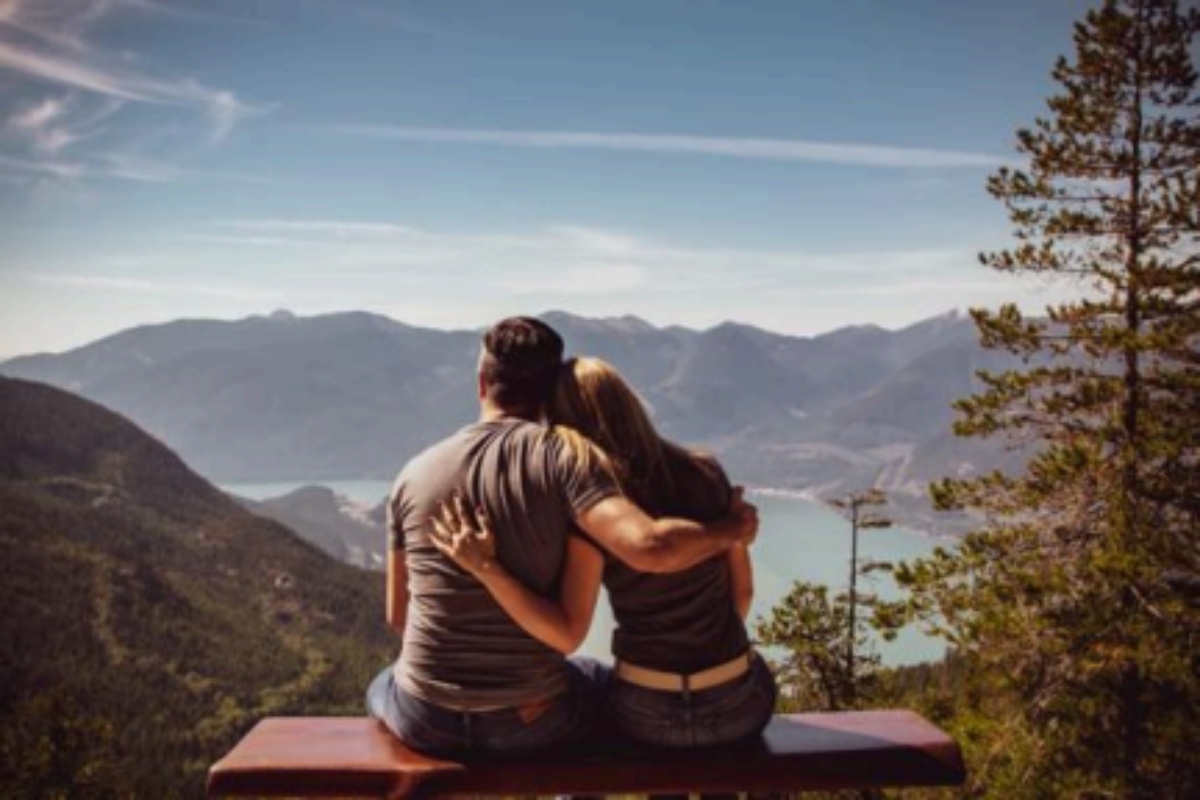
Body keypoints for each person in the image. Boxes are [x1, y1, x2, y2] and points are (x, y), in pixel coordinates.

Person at [367, 318, 758, 758]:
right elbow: (647, 550)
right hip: (532, 720)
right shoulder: (567, 462)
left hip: (425, 719)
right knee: (593, 679)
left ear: (481, 383)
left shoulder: (411, 475)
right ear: (549, 391)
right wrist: (732, 530)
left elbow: (399, 618)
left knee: (382, 684)